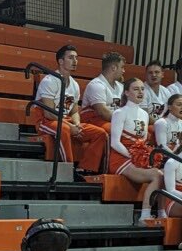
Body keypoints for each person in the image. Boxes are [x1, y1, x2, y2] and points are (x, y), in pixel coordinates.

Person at [34, 44, 107, 173]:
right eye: (71, 58)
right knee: (64, 128)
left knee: (100, 133)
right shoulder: (50, 81)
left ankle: (86, 168)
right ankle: (68, 168)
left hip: (65, 120)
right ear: (61, 61)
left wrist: (77, 124)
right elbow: (48, 113)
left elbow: (74, 111)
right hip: (45, 121)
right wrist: (70, 125)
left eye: (76, 58)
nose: (75, 61)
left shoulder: (75, 85)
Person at [109, 78, 164, 224]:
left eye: (142, 89)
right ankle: (144, 215)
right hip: (120, 158)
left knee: (165, 173)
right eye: (135, 89)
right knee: (157, 175)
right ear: (126, 92)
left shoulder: (145, 115)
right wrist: (133, 157)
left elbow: (143, 142)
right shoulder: (119, 113)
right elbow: (114, 142)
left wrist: (144, 157)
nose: (140, 92)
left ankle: (161, 213)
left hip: (135, 158)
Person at [80, 52, 125, 133]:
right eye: (122, 67)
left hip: (112, 121)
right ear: (114, 68)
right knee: (116, 131)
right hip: (94, 120)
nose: (123, 71)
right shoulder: (96, 84)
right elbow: (102, 112)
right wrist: (125, 122)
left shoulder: (121, 87)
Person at [155, 94, 182, 217]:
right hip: (163, 158)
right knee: (161, 175)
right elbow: (161, 146)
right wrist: (176, 157)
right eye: (179, 104)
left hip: (177, 156)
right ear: (170, 107)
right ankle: (160, 211)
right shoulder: (162, 122)